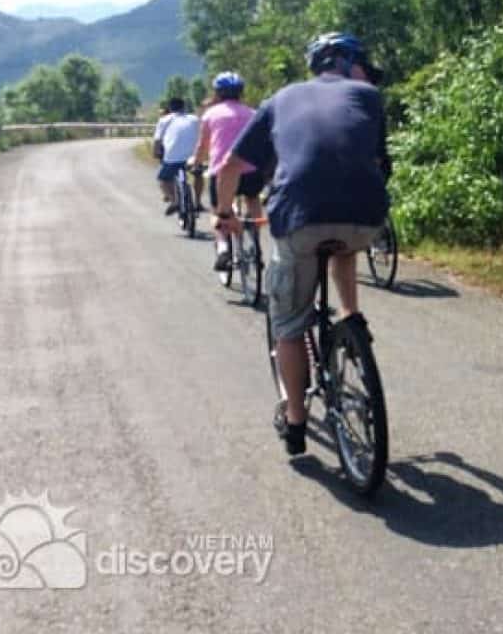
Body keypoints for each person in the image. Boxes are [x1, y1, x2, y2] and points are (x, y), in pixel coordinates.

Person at [214, 32, 390, 456]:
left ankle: (295, 423)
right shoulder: (369, 96)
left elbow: (230, 166)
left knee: (289, 328)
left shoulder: (280, 98)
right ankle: (351, 318)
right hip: (367, 218)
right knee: (345, 244)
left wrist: (225, 214)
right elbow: (379, 160)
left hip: (300, 219)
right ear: (347, 63)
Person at [189, 71, 264, 270]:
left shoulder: (210, 114)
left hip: (222, 172)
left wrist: (195, 162)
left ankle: (222, 247)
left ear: (217, 93)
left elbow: (202, 147)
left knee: (219, 210)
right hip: (251, 171)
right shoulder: (253, 114)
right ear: (241, 92)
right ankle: (254, 241)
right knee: (253, 198)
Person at [155, 97, 201, 215]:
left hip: (172, 158)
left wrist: (156, 153)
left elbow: (158, 141)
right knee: (198, 174)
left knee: (163, 179)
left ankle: (174, 201)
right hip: (193, 157)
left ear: (170, 108)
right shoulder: (194, 119)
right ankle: (198, 202)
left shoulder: (164, 120)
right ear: (184, 107)